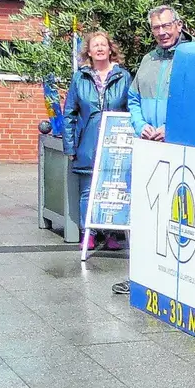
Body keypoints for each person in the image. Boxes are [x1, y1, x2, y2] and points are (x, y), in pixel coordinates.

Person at [111, 5, 193, 296]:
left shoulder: (191, 59)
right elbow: (133, 98)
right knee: (145, 213)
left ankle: (175, 282)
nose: (162, 32)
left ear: (179, 25)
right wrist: (139, 124)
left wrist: (172, 127)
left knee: (176, 218)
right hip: (147, 147)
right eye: (156, 28)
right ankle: (140, 277)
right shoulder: (148, 60)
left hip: (178, 148)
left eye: (167, 26)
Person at [63, 30, 132, 252]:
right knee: (88, 191)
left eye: (103, 45)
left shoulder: (123, 76)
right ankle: (88, 233)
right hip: (88, 143)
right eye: (95, 45)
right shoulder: (80, 78)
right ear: (89, 52)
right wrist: (70, 146)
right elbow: (69, 113)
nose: (100, 48)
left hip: (116, 143)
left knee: (113, 188)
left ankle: (111, 233)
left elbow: (131, 108)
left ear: (110, 49)